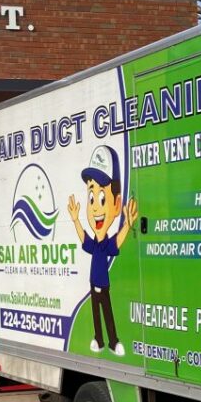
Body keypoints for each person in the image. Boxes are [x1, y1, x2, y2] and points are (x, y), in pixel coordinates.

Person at [68, 145, 137, 356]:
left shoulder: (106, 244)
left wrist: (127, 225)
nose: (96, 208)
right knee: (96, 314)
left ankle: (113, 341)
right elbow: (84, 238)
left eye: (101, 199)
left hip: (104, 285)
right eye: (92, 199)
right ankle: (98, 339)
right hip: (93, 283)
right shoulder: (95, 244)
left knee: (107, 312)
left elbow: (117, 241)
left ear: (116, 205)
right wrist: (76, 220)